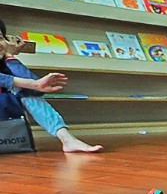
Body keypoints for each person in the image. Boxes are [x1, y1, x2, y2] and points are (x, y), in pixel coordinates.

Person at [0, 20, 102, 153]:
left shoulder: (6, 65)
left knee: (26, 92)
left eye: (1, 38)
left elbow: (36, 91)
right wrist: (35, 84)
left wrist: (10, 57)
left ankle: (67, 139)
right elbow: (35, 85)